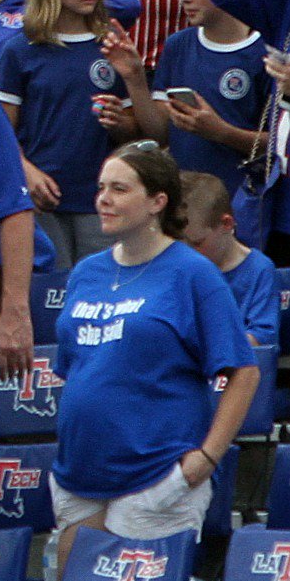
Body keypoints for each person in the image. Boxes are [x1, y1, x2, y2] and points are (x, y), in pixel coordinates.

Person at [49, 140, 259, 560]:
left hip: (157, 478)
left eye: (120, 189)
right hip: (80, 475)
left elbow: (245, 371)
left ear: (157, 202)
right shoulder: (86, 273)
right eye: (101, 187)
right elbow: (76, 369)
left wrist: (206, 459)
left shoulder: (193, 273)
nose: (104, 199)